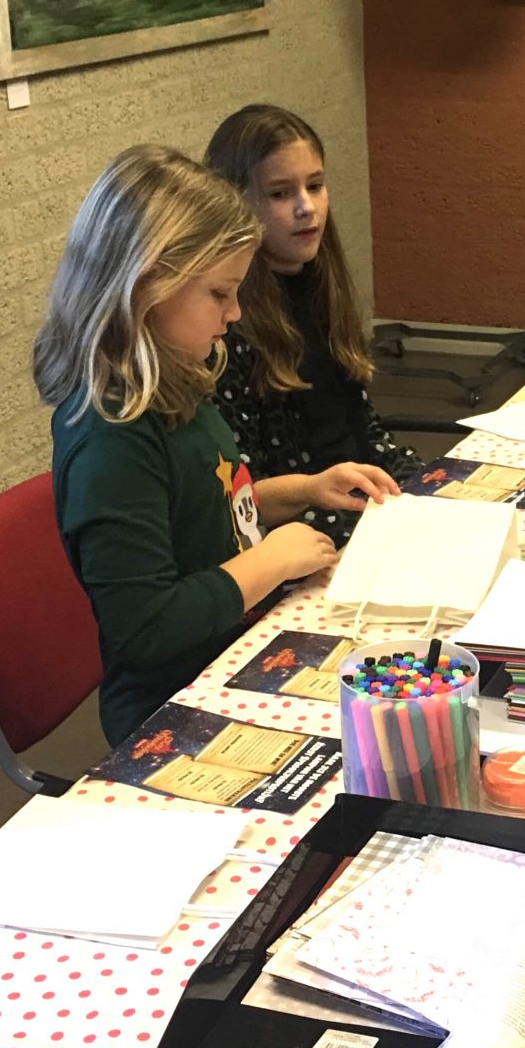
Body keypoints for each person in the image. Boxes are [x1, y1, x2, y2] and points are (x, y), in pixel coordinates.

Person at [33, 146, 393, 746]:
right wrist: (272, 560)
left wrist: (305, 489)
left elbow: (209, 506)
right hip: (172, 707)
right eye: (220, 294)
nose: (234, 314)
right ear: (146, 286)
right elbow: (147, 628)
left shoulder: (175, 379)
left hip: (238, 647)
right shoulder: (111, 437)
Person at [204, 104, 420, 548]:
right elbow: (237, 499)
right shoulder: (227, 326)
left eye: (315, 186)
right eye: (281, 194)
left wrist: (424, 487)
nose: (307, 207)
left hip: (362, 510)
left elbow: (364, 431)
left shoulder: (320, 285)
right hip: (298, 536)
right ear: (235, 202)